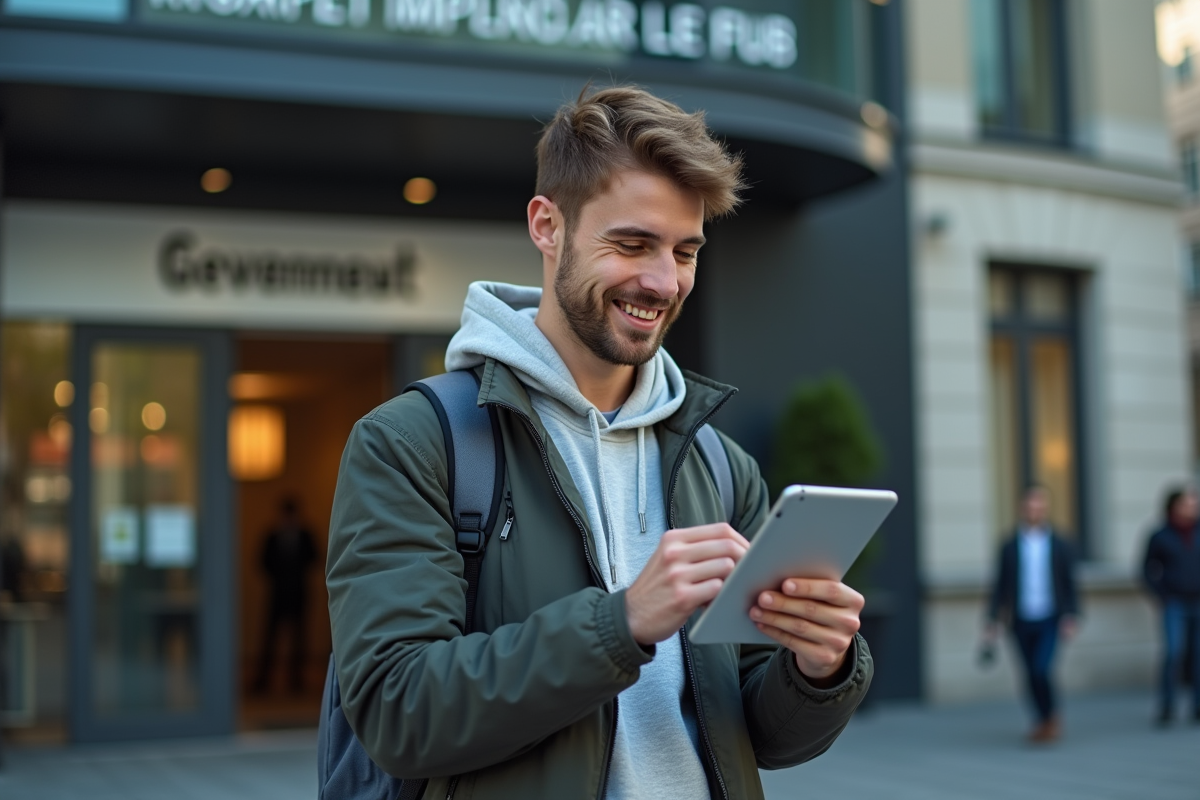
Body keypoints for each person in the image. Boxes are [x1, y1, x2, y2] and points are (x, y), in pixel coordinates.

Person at [326, 86, 873, 799]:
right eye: (632, 244)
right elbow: (398, 714)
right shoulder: (411, 444)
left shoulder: (718, 465)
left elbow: (759, 734)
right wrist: (620, 624)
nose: (663, 281)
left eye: (685, 251)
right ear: (547, 226)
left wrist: (819, 669)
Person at [984, 484, 1080, 743]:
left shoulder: (1060, 543)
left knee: (1041, 669)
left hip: (1051, 617)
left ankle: (1051, 715)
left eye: (1039, 504)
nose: (1034, 509)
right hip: (1020, 619)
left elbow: (1070, 583)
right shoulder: (1010, 545)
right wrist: (992, 619)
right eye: (1030, 505)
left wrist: (1072, 615)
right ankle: (1042, 720)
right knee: (1028, 674)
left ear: (1046, 508)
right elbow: (1000, 585)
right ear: (1022, 508)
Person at [1142, 486, 1200, 725]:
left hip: (1198, 601)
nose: (1192, 508)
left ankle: (1197, 706)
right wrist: (1161, 595)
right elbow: (1146, 569)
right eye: (1187, 504)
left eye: (1194, 504)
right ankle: (1167, 705)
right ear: (1174, 506)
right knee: (1173, 653)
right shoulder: (1160, 535)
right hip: (1174, 602)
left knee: (1198, 656)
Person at [253, 497, 318, 694]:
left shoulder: (305, 535)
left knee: (299, 639)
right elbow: (262, 561)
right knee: (269, 639)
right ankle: (263, 680)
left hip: (299, 593)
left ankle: (296, 680)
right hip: (277, 594)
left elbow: (315, 557)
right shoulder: (273, 536)